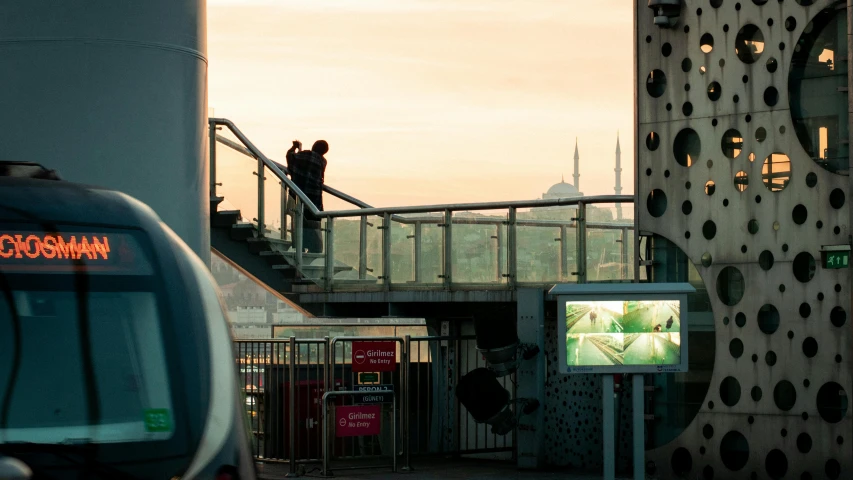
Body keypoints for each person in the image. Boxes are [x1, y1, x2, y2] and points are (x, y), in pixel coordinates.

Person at [286, 139, 328, 253]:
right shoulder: (322, 161)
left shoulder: (305, 155)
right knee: (312, 226)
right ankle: (314, 249)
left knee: (298, 222)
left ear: (314, 146)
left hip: (298, 196)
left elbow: (290, 157)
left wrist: (294, 147)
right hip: (314, 199)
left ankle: (300, 248)